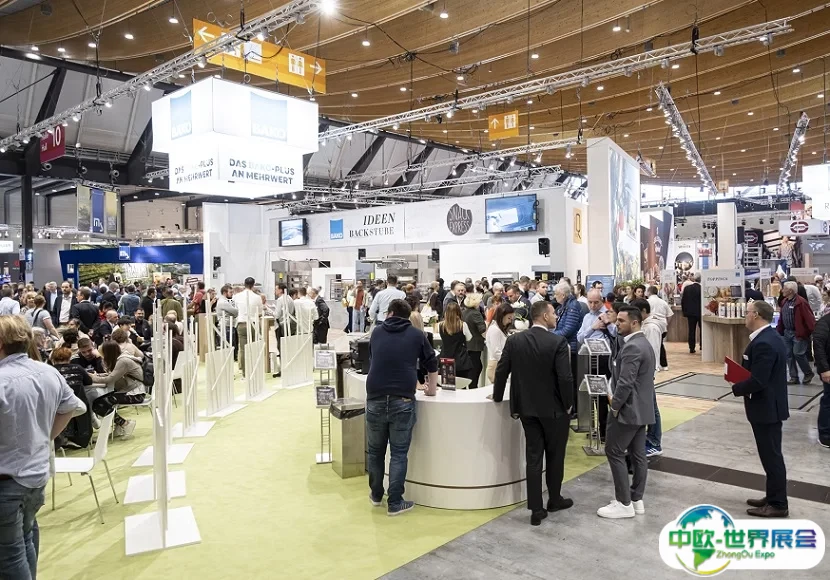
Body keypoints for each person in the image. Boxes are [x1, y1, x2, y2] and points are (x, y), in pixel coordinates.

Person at [0, 315, 86, 579]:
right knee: (25, 539)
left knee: (9, 556)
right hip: (36, 475)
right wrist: (45, 436)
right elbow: (74, 407)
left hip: (8, 481)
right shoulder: (48, 371)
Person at [493, 300, 574, 526]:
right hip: (554, 409)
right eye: (554, 314)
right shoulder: (558, 342)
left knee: (533, 457)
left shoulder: (515, 340)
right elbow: (565, 377)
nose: (556, 317)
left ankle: (536, 508)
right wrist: (568, 404)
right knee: (555, 456)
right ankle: (554, 499)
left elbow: (502, 370)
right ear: (545, 316)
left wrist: (498, 396)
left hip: (526, 409)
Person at [366, 299, 437, 516]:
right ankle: (395, 502)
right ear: (407, 316)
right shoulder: (417, 335)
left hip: (375, 396)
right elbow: (432, 362)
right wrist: (431, 389)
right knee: (398, 453)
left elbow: (372, 358)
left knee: (376, 451)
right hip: (403, 399)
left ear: (389, 313)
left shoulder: (377, 332)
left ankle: (376, 494)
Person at [729, 300, 790, 517]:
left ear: (755, 315)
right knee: (770, 455)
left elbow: (759, 380)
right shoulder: (770, 337)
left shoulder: (764, 343)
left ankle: (778, 504)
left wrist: (737, 387)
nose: (745, 316)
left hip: (766, 409)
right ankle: (772, 495)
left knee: (772, 457)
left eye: (747, 312)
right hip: (768, 407)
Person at [597, 306, 655, 519]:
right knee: (638, 454)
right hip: (641, 409)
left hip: (628, 410)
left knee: (614, 451)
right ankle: (636, 498)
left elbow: (625, 382)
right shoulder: (644, 344)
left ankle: (624, 503)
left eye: (621, 320)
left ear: (635, 322)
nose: (617, 323)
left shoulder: (632, 347)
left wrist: (614, 406)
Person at [89, 341, 145, 438]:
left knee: (100, 404)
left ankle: (124, 424)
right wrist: (96, 376)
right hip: (131, 390)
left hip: (135, 394)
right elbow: (112, 375)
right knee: (99, 403)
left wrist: (92, 378)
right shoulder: (122, 358)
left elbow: (109, 379)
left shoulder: (123, 361)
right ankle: (121, 424)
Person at [631, 299, 663, 457]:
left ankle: (655, 442)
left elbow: (653, 352)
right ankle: (648, 438)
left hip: (647, 374)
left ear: (644, 311)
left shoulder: (651, 328)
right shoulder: (645, 326)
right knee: (648, 406)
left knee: (652, 408)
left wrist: (650, 373)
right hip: (643, 373)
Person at [50, 347, 94, 449]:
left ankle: (63, 439)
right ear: (69, 357)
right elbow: (89, 381)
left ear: (53, 358)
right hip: (80, 405)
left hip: (59, 407)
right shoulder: (77, 368)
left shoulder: (51, 371)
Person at [776, 281, 815, 385]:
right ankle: (794, 377)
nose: (782, 290)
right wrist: (779, 330)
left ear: (790, 291)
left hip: (798, 333)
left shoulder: (801, 302)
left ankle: (808, 373)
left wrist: (810, 331)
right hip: (786, 332)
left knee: (798, 353)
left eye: (784, 288)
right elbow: (781, 318)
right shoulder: (784, 302)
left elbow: (809, 318)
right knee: (788, 354)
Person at [552, 282, 584, 413]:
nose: (554, 296)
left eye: (556, 294)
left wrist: (551, 335)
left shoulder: (572, 306)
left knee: (572, 380)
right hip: (567, 346)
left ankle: (574, 409)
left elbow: (568, 330)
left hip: (572, 348)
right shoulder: (565, 306)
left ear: (563, 295)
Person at [439, 302, 474, 383]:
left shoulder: (441, 326)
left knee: (448, 385)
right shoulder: (463, 325)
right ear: (458, 312)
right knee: (461, 385)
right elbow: (469, 338)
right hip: (461, 361)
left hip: (446, 359)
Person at [811, 305, 830, 448]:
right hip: (829, 368)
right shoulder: (824, 322)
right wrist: (824, 369)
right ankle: (825, 435)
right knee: (828, 401)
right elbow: (818, 346)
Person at [462, 294, 487, 388]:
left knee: (473, 367)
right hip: (475, 345)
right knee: (476, 368)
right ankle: (473, 388)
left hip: (466, 344)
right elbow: (482, 329)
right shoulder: (476, 314)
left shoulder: (464, 312)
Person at [646, 285, 673, 371]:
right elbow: (670, 315)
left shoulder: (647, 302)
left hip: (650, 326)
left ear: (649, 292)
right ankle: (664, 364)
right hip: (662, 327)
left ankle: (655, 364)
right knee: (660, 345)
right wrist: (666, 324)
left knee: (652, 346)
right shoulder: (663, 302)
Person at [486, 302, 514, 383]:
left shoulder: (499, 329)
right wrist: (510, 361)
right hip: (497, 366)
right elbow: (496, 352)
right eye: (509, 318)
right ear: (502, 316)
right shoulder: (495, 330)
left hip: (499, 365)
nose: (510, 321)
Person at [681, 273, 702, 354]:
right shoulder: (701, 288)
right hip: (700, 312)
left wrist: (684, 311)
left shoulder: (687, 288)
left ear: (694, 279)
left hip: (690, 313)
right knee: (702, 330)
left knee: (691, 330)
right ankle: (702, 345)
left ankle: (691, 347)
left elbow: (683, 301)